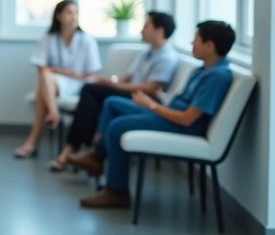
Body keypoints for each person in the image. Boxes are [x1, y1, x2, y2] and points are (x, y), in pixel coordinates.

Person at [71, 21, 235, 209]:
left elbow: (188, 119)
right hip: (171, 115)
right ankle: (97, 157)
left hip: (182, 126)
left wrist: (152, 106)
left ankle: (117, 192)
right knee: (112, 104)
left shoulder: (217, 76)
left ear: (209, 46)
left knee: (117, 127)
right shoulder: (202, 70)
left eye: (196, 39)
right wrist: (157, 102)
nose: (191, 43)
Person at [49, 11, 179, 171]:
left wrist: (116, 86)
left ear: (159, 31)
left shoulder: (167, 57)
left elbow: (150, 89)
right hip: (130, 92)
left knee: (92, 92)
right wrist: (110, 82)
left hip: (143, 98)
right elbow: (128, 78)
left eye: (146, 26)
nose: (141, 30)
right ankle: (89, 151)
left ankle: (85, 151)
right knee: (92, 93)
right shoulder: (145, 52)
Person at [14, 0, 101, 158]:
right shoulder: (49, 38)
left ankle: (33, 141)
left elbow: (91, 72)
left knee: (43, 85)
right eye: (69, 12)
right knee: (45, 76)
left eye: (76, 13)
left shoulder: (87, 40)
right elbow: (41, 67)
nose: (74, 17)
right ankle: (53, 113)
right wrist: (66, 72)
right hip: (55, 83)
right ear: (59, 16)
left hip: (79, 85)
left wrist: (57, 71)